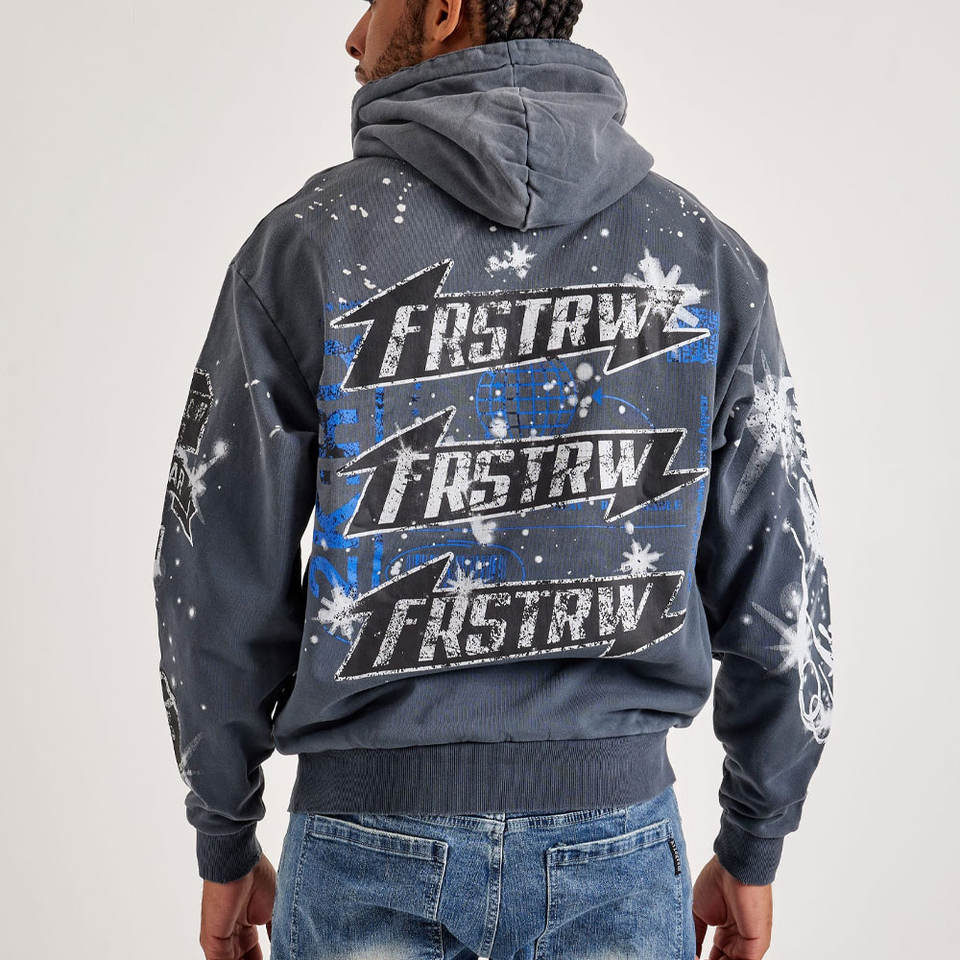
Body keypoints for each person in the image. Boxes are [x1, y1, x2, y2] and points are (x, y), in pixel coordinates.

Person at [152, 2, 835, 958]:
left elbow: (215, 570)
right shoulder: (700, 254)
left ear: (442, 13)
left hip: (362, 844)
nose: (354, 32)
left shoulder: (309, 244)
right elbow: (780, 582)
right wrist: (754, 842)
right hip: (618, 846)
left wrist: (225, 834)